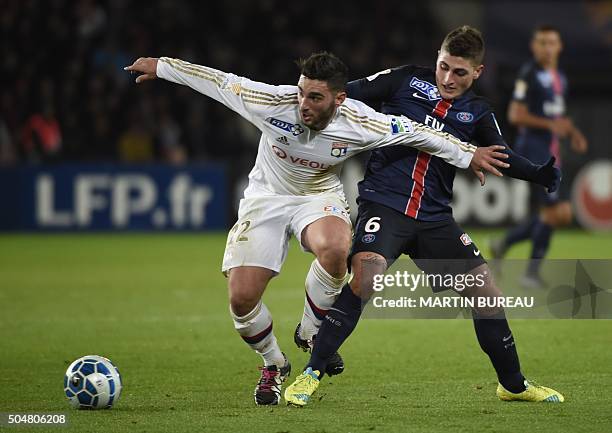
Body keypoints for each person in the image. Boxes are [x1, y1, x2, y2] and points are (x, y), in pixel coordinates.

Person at [125, 52, 509, 406]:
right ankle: (273, 363)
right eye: (302, 93)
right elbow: (219, 81)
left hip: (317, 196)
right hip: (265, 198)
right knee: (241, 299)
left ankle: (311, 332)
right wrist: (161, 66)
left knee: (338, 248)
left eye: (315, 98)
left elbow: (417, 132)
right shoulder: (273, 101)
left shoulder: (360, 121)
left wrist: (468, 153)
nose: (303, 105)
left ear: (338, 99)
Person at [284, 26, 564, 406]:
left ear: (477, 73)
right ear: (437, 57)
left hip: (434, 218)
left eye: (459, 73)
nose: (448, 79)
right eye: (443, 66)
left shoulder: (478, 112)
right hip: (384, 205)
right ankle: (311, 373)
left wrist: (537, 173)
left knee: (487, 294)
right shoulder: (403, 80)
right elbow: (346, 93)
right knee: (366, 275)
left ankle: (513, 385)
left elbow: (499, 154)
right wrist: (304, 102)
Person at [491, 25, 588, 287]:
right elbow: (515, 115)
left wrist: (572, 132)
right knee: (555, 212)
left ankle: (504, 243)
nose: (547, 48)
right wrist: (550, 126)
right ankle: (530, 273)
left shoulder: (560, 78)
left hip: (551, 149)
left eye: (551, 43)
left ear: (560, 46)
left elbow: (554, 117)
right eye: (542, 43)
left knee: (560, 214)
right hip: (533, 149)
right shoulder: (528, 74)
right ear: (534, 47)